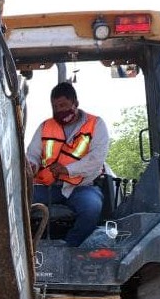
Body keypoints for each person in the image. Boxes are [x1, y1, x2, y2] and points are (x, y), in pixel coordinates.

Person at [25, 82, 110, 247]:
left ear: (75, 103)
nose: (59, 110)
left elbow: (96, 158)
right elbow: (33, 154)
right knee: (18, 200)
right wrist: (31, 165)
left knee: (91, 209)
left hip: (82, 187)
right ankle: (27, 246)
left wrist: (67, 170)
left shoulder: (96, 124)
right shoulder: (45, 126)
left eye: (63, 105)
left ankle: (70, 248)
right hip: (48, 187)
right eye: (55, 106)